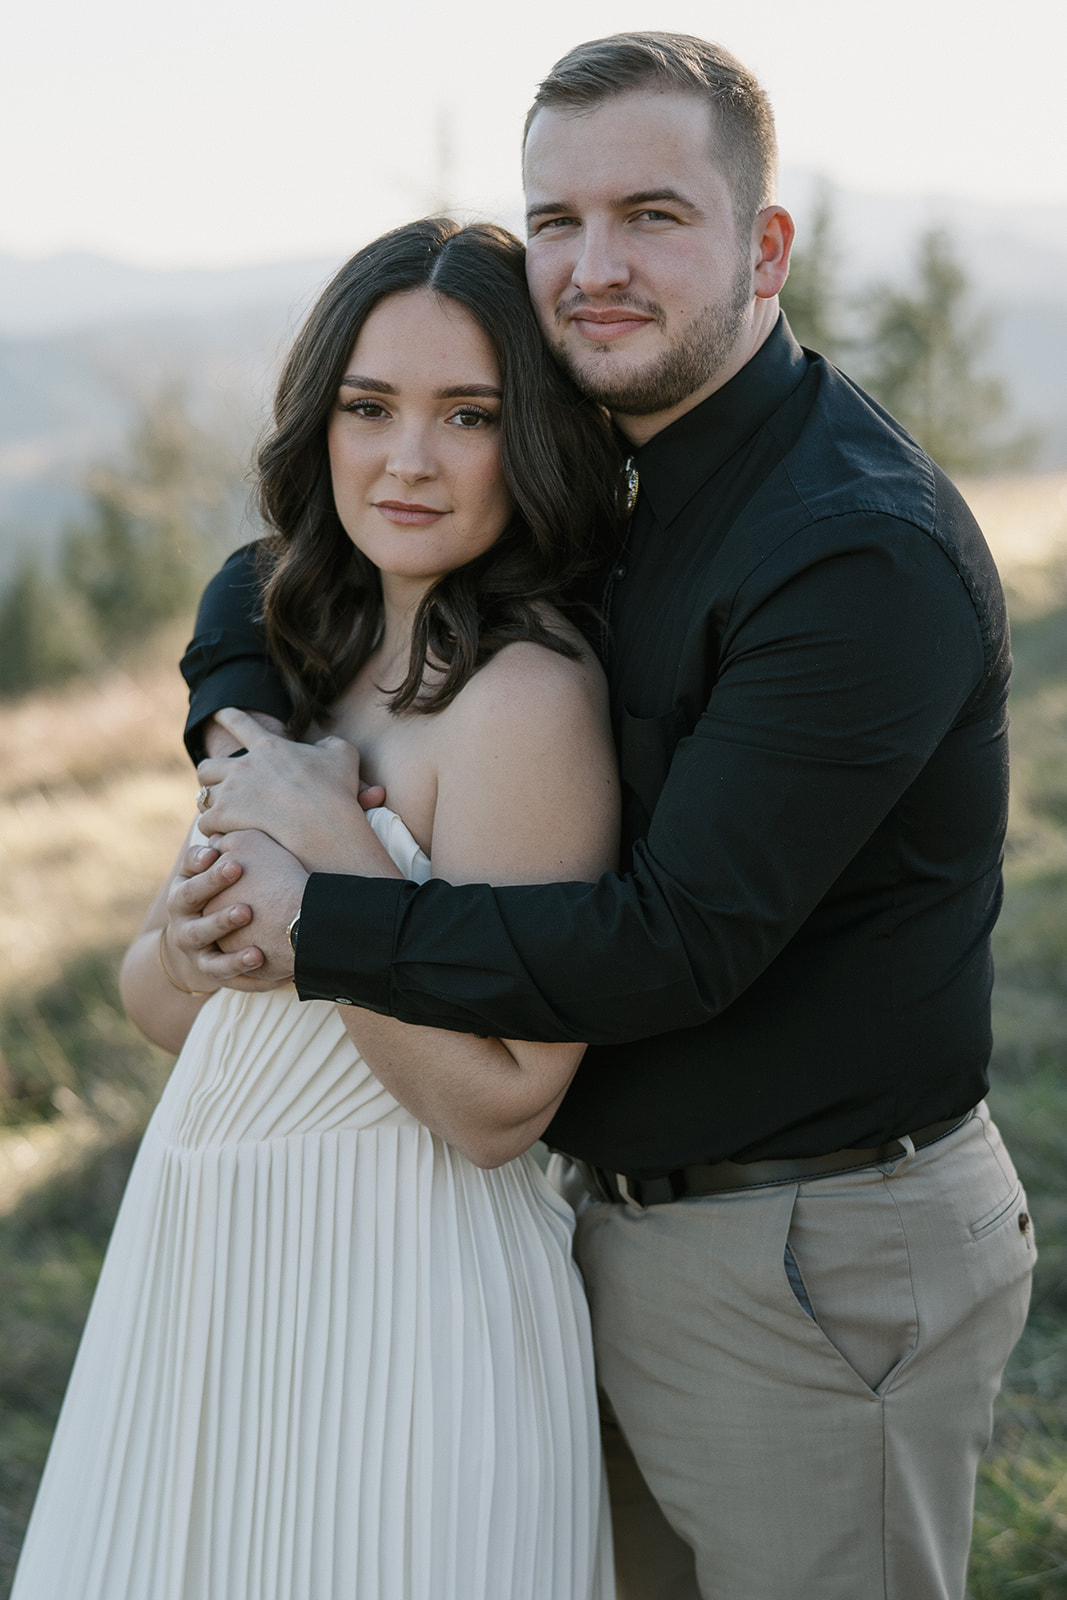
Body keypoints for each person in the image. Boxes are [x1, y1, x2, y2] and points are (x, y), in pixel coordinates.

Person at [174, 32, 1035, 1600]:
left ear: (765, 246)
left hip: (808, 1253)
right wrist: (242, 731)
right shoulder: (619, 472)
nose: (592, 267)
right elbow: (276, 566)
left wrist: (317, 902)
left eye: (652, 215)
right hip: (600, 1237)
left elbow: (675, 946)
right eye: (556, 221)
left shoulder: (848, 552)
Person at [11, 218, 622, 1600]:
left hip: (399, 1287)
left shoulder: (528, 701)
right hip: (211, 1259)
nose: (407, 456)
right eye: (369, 407)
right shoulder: (301, 663)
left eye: (467, 414)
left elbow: (500, 1106)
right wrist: (184, 938)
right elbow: (169, 1011)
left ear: (529, 440)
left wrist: (329, 858)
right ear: (320, 424)